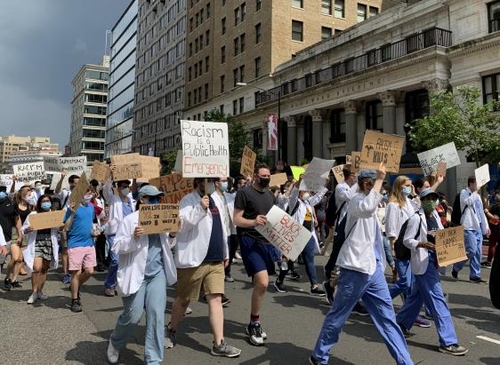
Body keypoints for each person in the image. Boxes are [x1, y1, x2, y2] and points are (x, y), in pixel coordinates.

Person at [310, 166, 413, 365]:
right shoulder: (356, 201)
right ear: (367, 184)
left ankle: (405, 362)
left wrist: (389, 262)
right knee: (338, 316)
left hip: (373, 269)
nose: (382, 188)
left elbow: (378, 239)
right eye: (378, 184)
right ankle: (319, 356)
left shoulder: (373, 205)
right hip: (356, 269)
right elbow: (366, 207)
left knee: (387, 318)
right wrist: (380, 178)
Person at [165, 178, 241, 358]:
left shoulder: (217, 199)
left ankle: (219, 343)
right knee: (183, 300)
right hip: (194, 260)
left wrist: (225, 252)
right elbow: (180, 226)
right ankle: (171, 329)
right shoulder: (188, 201)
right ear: (199, 182)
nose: (214, 184)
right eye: (209, 181)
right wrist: (200, 208)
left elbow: (223, 227)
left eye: (215, 181)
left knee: (215, 299)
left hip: (215, 259)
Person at [106, 185, 177, 365]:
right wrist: (134, 238)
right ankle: (115, 341)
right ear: (142, 200)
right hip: (136, 275)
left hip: (157, 274)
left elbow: (168, 244)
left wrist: (173, 233)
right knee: (133, 315)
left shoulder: (162, 217)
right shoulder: (130, 220)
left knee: (156, 314)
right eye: (152, 198)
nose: (156, 202)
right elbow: (116, 247)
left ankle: (153, 359)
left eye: (158, 199)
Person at [396, 188, 468, 356]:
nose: (432, 202)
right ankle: (448, 341)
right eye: (429, 198)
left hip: (434, 260)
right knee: (437, 300)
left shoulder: (435, 215)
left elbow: (441, 234)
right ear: (422, 200)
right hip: (423, 261)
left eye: (434, 198)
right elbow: (407, 240)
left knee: (416, 297)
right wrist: (422, 244)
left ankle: (399, 325)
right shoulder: (416, 218)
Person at [233, 163, 278, 346]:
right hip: (249, 241)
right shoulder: (244, 193)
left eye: (268, 175)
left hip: (266, 243)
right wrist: (253, 222)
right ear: (255, 175)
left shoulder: (270, 196)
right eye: (263, 175)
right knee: (262, 282)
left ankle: (254, 320)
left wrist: (282, 247)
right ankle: (254, 323)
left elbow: (275, 223)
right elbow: (236, 219)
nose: (266, 178)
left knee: (260, 285)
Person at [385, 176, 430, 328]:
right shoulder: (393, 205)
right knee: (405, 282)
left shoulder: (409, 203)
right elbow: (391, 230)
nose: (410, 188)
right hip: (400, 248)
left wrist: (436, 182)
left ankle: (410, 314)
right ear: (399, 186)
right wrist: (393, 251)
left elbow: (425, 199)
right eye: (407, 185)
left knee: (411, 284)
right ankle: (382, 299)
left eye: (411, 185)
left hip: (410, 247)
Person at [275, 186, 327, 296]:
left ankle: (314, 286)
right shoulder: (295, 202)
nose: (306, 193)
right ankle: (279, 280)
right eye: (304, 191)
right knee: (290, 260)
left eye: (307, 191)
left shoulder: (308, 203)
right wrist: (297, 184)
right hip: (297, 235)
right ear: (299, 192)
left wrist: (324, 184)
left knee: (310, 260)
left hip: (308, 235)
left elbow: (318, 197)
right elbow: (293, 195)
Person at [63, 188, 97, 312]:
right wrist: (71, 213)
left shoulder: (91, 207)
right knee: (76, 273)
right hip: (75, 244)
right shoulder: (72, 207)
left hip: (89, 243)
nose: (89, 195)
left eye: (90, 192)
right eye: (86, 192)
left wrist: (95, 231)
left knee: (89, 271)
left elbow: (91, 223)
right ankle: (75, 300)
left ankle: (74, 287)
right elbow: (65, 227)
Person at [22, 194, 60, 304]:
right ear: (39, 203)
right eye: (43, 201)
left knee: (44, 269)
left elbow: (60, 228)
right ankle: (33, 292)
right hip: (37, 242)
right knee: (37, 268)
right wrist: (28, 229)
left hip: (49, 242)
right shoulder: (34, 214)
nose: (45, 203)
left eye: (47, 201)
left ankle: (40, 291)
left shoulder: (54, 214)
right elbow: (23, 229)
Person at [452, 176, 490, 282]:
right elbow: (468, 202)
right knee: (471, 250)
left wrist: (485, 227)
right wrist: (475, 192)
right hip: (468, 226)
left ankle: (475, 275)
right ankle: (456, 267)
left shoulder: (477, 196)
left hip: (477, 227)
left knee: (478, 253)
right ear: (471, 184)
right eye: (476, 184)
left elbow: (480, 212)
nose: (478, 186)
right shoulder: (464, 193)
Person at [102, 178, 135, 297]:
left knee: (126, 260)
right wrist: (110, 177)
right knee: (115, 260)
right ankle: (109, 284)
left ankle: (121, 284)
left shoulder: (131, 201)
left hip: (128, 234)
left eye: (127, 186)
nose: (126, 188)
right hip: (114, 233)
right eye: (123, 186)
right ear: (118, 188)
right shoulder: (113, 199)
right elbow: (106, 190)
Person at [55, 173, 80, 284]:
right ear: (71, 183)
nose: (78, 185)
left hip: (78, 225)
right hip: (65, 224)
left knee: (75, 249)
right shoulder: (66, 193)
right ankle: (66, 273)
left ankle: (74, 271)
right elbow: (57, 190)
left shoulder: (83, 195)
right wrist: (61, 178)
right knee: (65, 250)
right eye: (76, 183)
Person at [0, 185, 22, 290]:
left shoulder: (11, 202)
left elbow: (17, 219)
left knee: (16, 258)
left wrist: (19, 234)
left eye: (3, 190)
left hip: (9, 237)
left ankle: (8, 278)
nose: (1, 192)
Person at [482, 197, 500, 268]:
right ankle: (488, 261)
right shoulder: (496, 206)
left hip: (496, 228)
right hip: (495, 227)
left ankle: (489, 261)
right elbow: (489, 208)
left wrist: (486, 212)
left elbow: (495, 218)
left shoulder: (498, 207)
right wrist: (486, 202)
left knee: (492, 244)